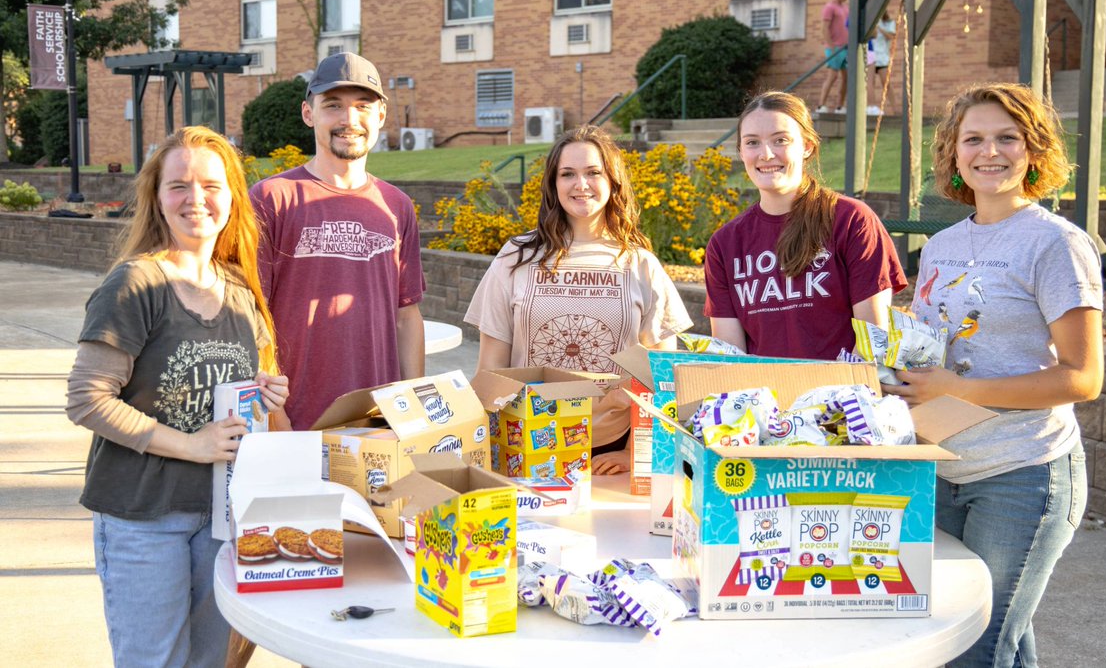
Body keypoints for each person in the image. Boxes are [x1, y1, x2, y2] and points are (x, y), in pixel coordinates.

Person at [883, 83, 1103, 667]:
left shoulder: (1057, 244)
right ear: (953, 152)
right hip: (946, 467)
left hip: (1022, 475)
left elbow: (1083, 378)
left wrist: (959, 388)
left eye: (1008, 138)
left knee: (977, 649)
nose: (990, 152)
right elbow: (942, 353)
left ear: (1034, 151)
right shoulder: (941, 247)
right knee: (1000, 635)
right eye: (973, 138)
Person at [65, 126, 289, 667]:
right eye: (179, 186)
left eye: (211, 185)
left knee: (209, 661)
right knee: (156, 661)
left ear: (233, 196)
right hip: (143, 516)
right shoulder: (135, 284)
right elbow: (87, 399)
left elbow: (246, 394)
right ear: (157, 199)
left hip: (221, 515)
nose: (196, 200)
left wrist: (268, 393)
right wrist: (191, 444)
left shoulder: (238, 288)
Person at [465, 125, 692, 475]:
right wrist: (488, 452)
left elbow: (661, 376)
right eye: (567, 174)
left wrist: (634, 454)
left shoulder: (640, 264)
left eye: (593, 173)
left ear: (613, 182)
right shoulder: (516, 257)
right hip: (526, 445)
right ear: (553, 186)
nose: (580, 184)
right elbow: (491, 369)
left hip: (611, 448)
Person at [252, 52, 426, 431]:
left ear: (380, 116)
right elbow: (251, 315)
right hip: (295, 420)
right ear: (308, 113)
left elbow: (406, 315)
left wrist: (412, 408)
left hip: (376, 421)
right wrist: (274, 414)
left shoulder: (396, 206)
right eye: (333, 106)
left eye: (363, 107)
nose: (349, 120)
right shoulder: (272, 199)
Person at [704, 91, 906, 359]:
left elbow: (873, 339)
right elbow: (730, 356)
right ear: (741, 151)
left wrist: (824, 399)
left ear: (807, 146)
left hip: (842, 396)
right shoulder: (725, 244)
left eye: (781, 140)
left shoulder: (851, 220)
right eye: (752, 142)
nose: (766, 154)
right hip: (761, 398)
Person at [817, 0, 850, 114]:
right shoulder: (829, 7)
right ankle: (821, 105)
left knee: (846, 77)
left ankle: (840, 107)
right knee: (833, 76)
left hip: (846, 48)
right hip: (834, 48)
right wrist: (831, 47)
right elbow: (824, 28)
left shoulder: (846, 8)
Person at [867, 10, 896, 116]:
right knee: (870, 82)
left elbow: (891, 36)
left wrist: (879, 27)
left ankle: (895, 110)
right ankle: (871, 107)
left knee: (886, 83)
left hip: (882, 57)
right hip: (871, 55)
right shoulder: (871, 20)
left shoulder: (888, 22)